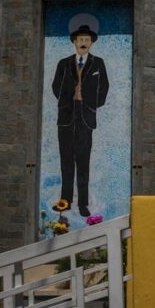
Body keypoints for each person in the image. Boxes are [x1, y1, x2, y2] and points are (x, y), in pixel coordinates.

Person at [51, 25, 109, 217]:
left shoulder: (98, 63)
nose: (83, 43)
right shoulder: (63, 63)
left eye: (87, 40)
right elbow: (55, 86)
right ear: (74, 42)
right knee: (66, 161)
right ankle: (65, 201)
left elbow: (104, 87)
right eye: (80, 39)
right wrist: (67, 101)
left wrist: (91, 105)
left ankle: (83, 204)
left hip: (86, 117)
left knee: (83, 161)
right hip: (66, 116)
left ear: (91, 43)